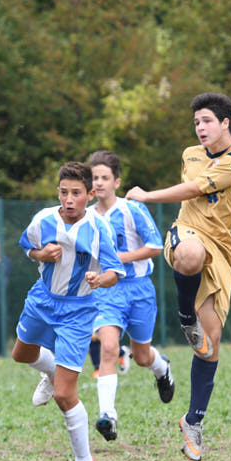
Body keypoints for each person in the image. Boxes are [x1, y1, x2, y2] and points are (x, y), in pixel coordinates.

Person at [126, 92, 231, 461]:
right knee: (190, 254)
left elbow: (198, 188)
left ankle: (193, 421)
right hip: (186, 235)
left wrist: (147, 195)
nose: (200, 127)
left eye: (207, 121)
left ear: (225, 122)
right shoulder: (190, 154)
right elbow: (193, 198)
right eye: (197, 122)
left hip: (223, 251)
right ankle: (186, 316)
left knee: (210, 345)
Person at [11, 162, 125, 461]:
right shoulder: (43, 219)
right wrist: (41, 254)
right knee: (22, 354)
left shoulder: (99, 228)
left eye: (76, 193)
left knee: (64, 395)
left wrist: (99, 279)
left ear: (90, 194)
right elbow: (27, 246)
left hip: (77, 311)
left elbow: (115, 272)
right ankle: (50, 372)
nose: (69, 199)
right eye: (64, 192)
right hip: (42, 299)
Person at [87, 150, 175, 442]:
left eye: (104, 178)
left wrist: (119, 258)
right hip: (106, 291)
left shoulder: (131, 209)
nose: (99, 183)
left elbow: (155, 246)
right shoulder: (86, 216)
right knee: (109, 348)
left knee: (141, 356)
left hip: (139, 290)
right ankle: (107, 415)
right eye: (94, 178)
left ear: (116, 182)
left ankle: (162, 368)